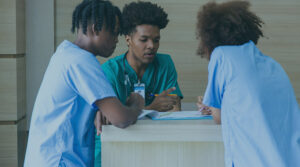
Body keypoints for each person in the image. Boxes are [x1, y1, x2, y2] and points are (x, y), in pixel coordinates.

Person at [24, 1, 144, 166]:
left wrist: (99, 110)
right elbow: (120, 118)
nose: (117, 40)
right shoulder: (82, 61)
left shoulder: (65, 53)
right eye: (114, 33)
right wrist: (137, 104)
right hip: (60, 161)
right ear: (95, 29)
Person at [196, 1, 300, 167]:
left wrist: (211, 106)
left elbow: (218, 117)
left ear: (209, 37)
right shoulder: (272, 64)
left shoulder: (221, 55)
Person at [94, 1, 183, 166]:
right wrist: (152, 107)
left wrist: (133, 112)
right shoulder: (111, 71)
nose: (152, 46)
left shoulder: (165, 64)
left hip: (155, 145)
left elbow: (174, 111)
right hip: (113, 148)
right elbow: (113, 123)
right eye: (144, 39)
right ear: (128, 39)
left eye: (156, 40)